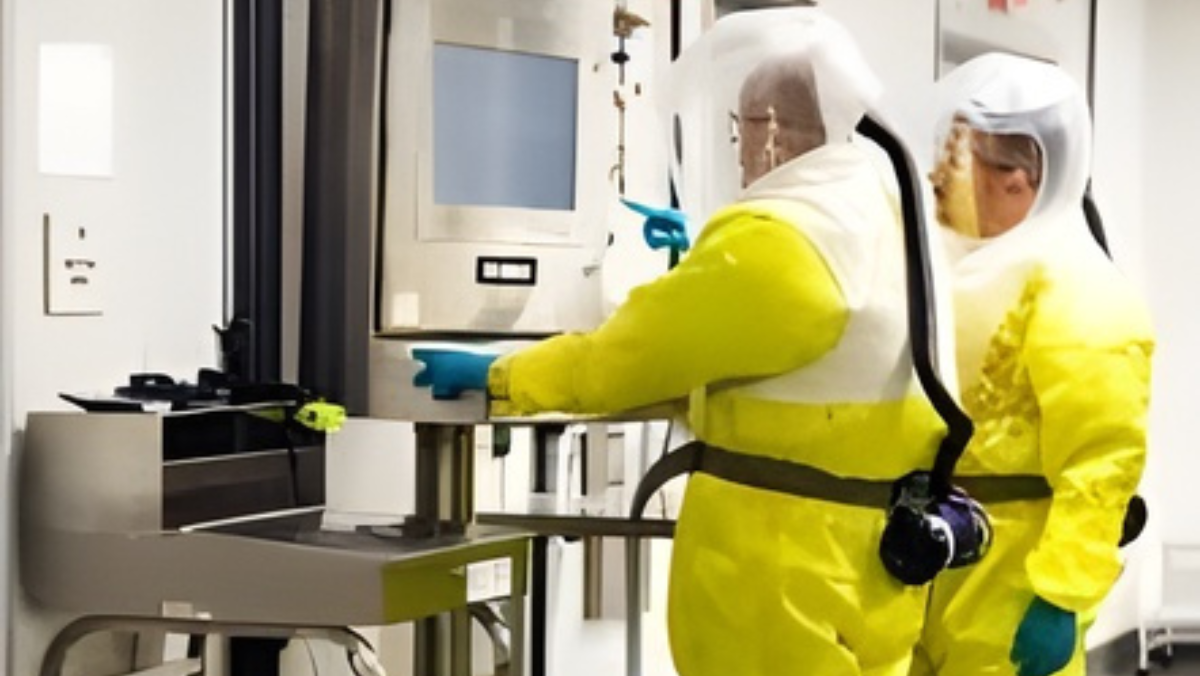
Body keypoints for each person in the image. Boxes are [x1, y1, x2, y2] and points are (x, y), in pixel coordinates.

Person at [414, 8, 948, 675]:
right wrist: (701, 258)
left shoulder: (778, 241)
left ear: (772, 131)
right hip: (867, 570)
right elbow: (802, 359)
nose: (740, 151)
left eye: (740, 132)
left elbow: (624, 360)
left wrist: (501, 376)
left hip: (781, 581)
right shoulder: (880, 210)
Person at [913, 53, 1155, 676]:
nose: (938, 180)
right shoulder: (959, 270)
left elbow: (1101, 466)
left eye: (958, 163)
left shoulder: (1078, 288)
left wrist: (1060, 595)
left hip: (1014, 586)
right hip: (932, 571)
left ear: (1019, 181)